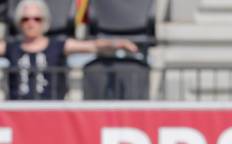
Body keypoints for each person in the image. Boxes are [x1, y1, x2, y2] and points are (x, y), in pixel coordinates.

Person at [0, 0, 137, 99]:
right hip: (18, 113)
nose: (31, 23)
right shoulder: (11, 47)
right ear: (19, 21)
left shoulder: (58, 45)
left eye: (37, 19)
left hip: (52, 111)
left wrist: (118, 43)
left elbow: (93, 45)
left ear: (44, 21)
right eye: (26, 19)